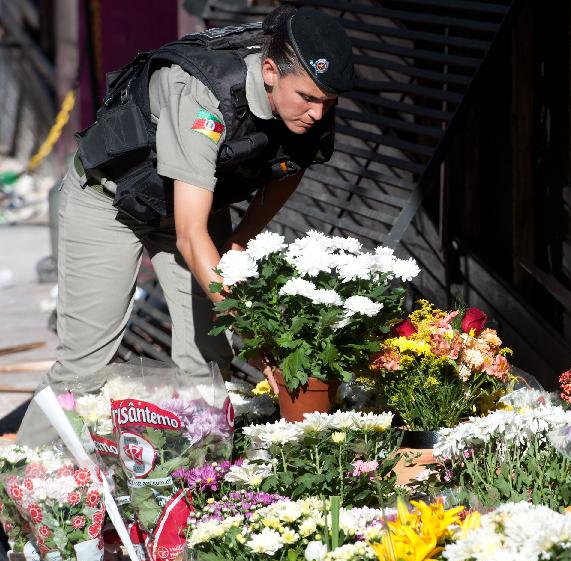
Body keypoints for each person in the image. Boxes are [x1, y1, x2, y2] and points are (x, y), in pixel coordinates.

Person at [16, 6, 354, 444]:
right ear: (269, 71)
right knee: (84, 366)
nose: (316, 113)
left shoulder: (309, 104)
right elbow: (190, 237)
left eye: (327, 103)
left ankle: (200, 478)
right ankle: (20, 479)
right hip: (111, 201)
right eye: (307, 98)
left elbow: (289, 168)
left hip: (196, 199)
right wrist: (252, 332)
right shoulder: (204, 95)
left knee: (210, 360)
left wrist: (239, 240)